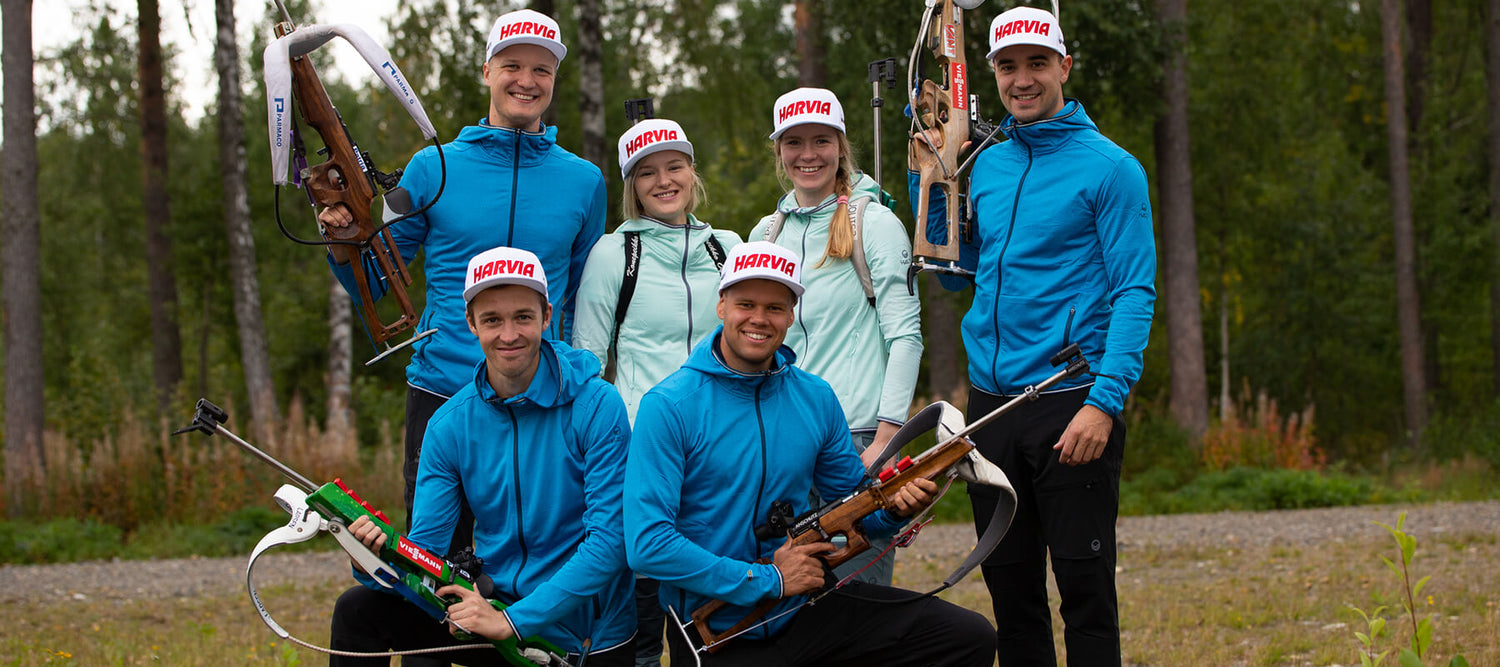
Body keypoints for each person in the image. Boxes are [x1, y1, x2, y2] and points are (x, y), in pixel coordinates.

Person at [909, 7, 1157, 666]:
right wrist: (929, 174)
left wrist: (1103, 403)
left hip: (1070, 399)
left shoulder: (1112, 168)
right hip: (992, 407)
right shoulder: (987, 165)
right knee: (1012, 596)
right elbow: (959, 276)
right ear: (992, 73)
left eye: (1037, 63)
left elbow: (1135, 292)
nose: (1022, 79)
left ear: (1064, 67)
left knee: (1085, 594)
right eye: (1008, 66)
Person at [623, 241, 994, 667]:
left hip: (806, 608)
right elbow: (648, 545)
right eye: (746, 304)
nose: (759, 319)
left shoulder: (815, 397)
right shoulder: (668, 406)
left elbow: (857, 508)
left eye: (775, 308)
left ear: (791, 315)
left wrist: (895, 509)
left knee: (966, 637)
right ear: (722, 305)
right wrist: (770, 578)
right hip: (716, 630)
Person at [320, 8, 606, 552]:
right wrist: (342, 241)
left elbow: (581, 298)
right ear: (487, 71)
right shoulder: (430, 168)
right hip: (442, 390)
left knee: (538, 559)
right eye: (512, 66)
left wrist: (579, 379)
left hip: (544, 402)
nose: (527, 81)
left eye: (542, 70)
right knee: (434, 560)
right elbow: (375, 286)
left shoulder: (584, 181)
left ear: (554, 80)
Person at [328, 246, 634, 666]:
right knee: (358, 609)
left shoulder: (597, 404)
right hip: (496, 617)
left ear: (546, 316)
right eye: (492, 320)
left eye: (522, 317)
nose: (509, 335)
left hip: (585, 638)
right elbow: (426, 553)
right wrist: (371, 559)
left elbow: (610, 542)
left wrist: (513, 621)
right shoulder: (449, 424)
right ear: (471, 323)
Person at [572, 118, 741, 667]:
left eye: (675, 166)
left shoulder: (729, 248)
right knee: (645, 616)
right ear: (632, 186)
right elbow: (587, 363)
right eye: (647, 173)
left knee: (711, 617)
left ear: (692, 171)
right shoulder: (612, 254)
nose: (664, 181)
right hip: (643, 449)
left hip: (722, 447)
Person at [749, 87, 923, 586]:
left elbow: (906, 337)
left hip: (857, 438)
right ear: (779, 150)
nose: (808, 155)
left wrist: (887, 438)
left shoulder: (875, 223)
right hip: (784, 442)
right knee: (792, 597)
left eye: (821, 141)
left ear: (841, 146)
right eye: (794, 142)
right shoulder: (765, 234)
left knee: (859, 597)